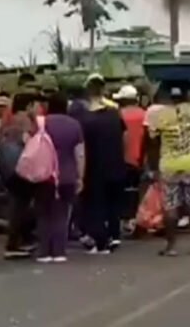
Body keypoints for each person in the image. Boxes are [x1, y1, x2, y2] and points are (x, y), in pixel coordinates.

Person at [147, 86, 190, 256]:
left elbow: (152, 140)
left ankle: (171, 247)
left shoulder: (160, 115)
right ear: (186, 97)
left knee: (170, 206)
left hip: (168, 166)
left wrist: (153, 167)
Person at [78, 75, 126, 254]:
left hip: (95, 168)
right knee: (114, 204)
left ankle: (101, 242)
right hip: (116, 164)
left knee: (96, 205)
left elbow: (82, 147)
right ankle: (114, 236)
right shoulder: (114, 114)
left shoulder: (85, 119)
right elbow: (123, 137)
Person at [33, 93, 85, 263]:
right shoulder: (74, 125)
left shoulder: (41, 123)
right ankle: (59, 251)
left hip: (44, 174)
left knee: (43, 213)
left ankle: (44, 252)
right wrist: (81, 176)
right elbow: (80, 153)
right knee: (62, 214)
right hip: (67, 174)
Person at [0, 93, 38, 259]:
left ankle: (18, 239)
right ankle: (15, 242)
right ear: (28, 105)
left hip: (5, 165)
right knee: (22, 204)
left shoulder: (8, 120)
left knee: (17, 202)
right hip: (20, 165)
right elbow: (31, 142)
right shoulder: (25, 121)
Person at [115, 85, 146, 222]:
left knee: (124, 191)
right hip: (142, 158)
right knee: (140, 190)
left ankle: (125, 217)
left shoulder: (118, 115)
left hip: (122, 158)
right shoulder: (145, 114)